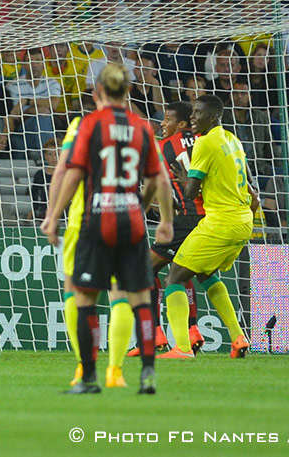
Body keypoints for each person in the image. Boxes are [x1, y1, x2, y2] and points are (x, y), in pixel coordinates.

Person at [42, 64, 171, 395]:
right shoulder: (142, 126)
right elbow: (159, 178)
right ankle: (144, 373)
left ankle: (87, 376)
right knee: (137, 297)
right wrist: (161, 218)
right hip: (132, 219)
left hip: (95, 219)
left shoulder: (88, 124)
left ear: (97, 91)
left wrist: (53, 215)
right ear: (127, 92)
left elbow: (70, 172)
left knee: (84, 297)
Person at [159, 94, 255, 360]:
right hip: (243, 221)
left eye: (198, 113)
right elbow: (250, 187)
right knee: (206, 274)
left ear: (213, 117)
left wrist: (183, 178)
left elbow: (190, 192)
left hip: (220, 221)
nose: (192, 117)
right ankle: (238, 337)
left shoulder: (204, 142)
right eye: (192, 113)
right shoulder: (232, 140)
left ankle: (182, 347)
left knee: (174, 278)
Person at [126, 101, 204, 357]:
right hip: (211, 219)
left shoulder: (164, 147)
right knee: (184, 272)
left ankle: (153, 336)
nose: (162, 123)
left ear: (181, 124)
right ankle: (193, 331)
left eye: (168, 119)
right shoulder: (206, 140)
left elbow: (154, 183)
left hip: (186, 218)